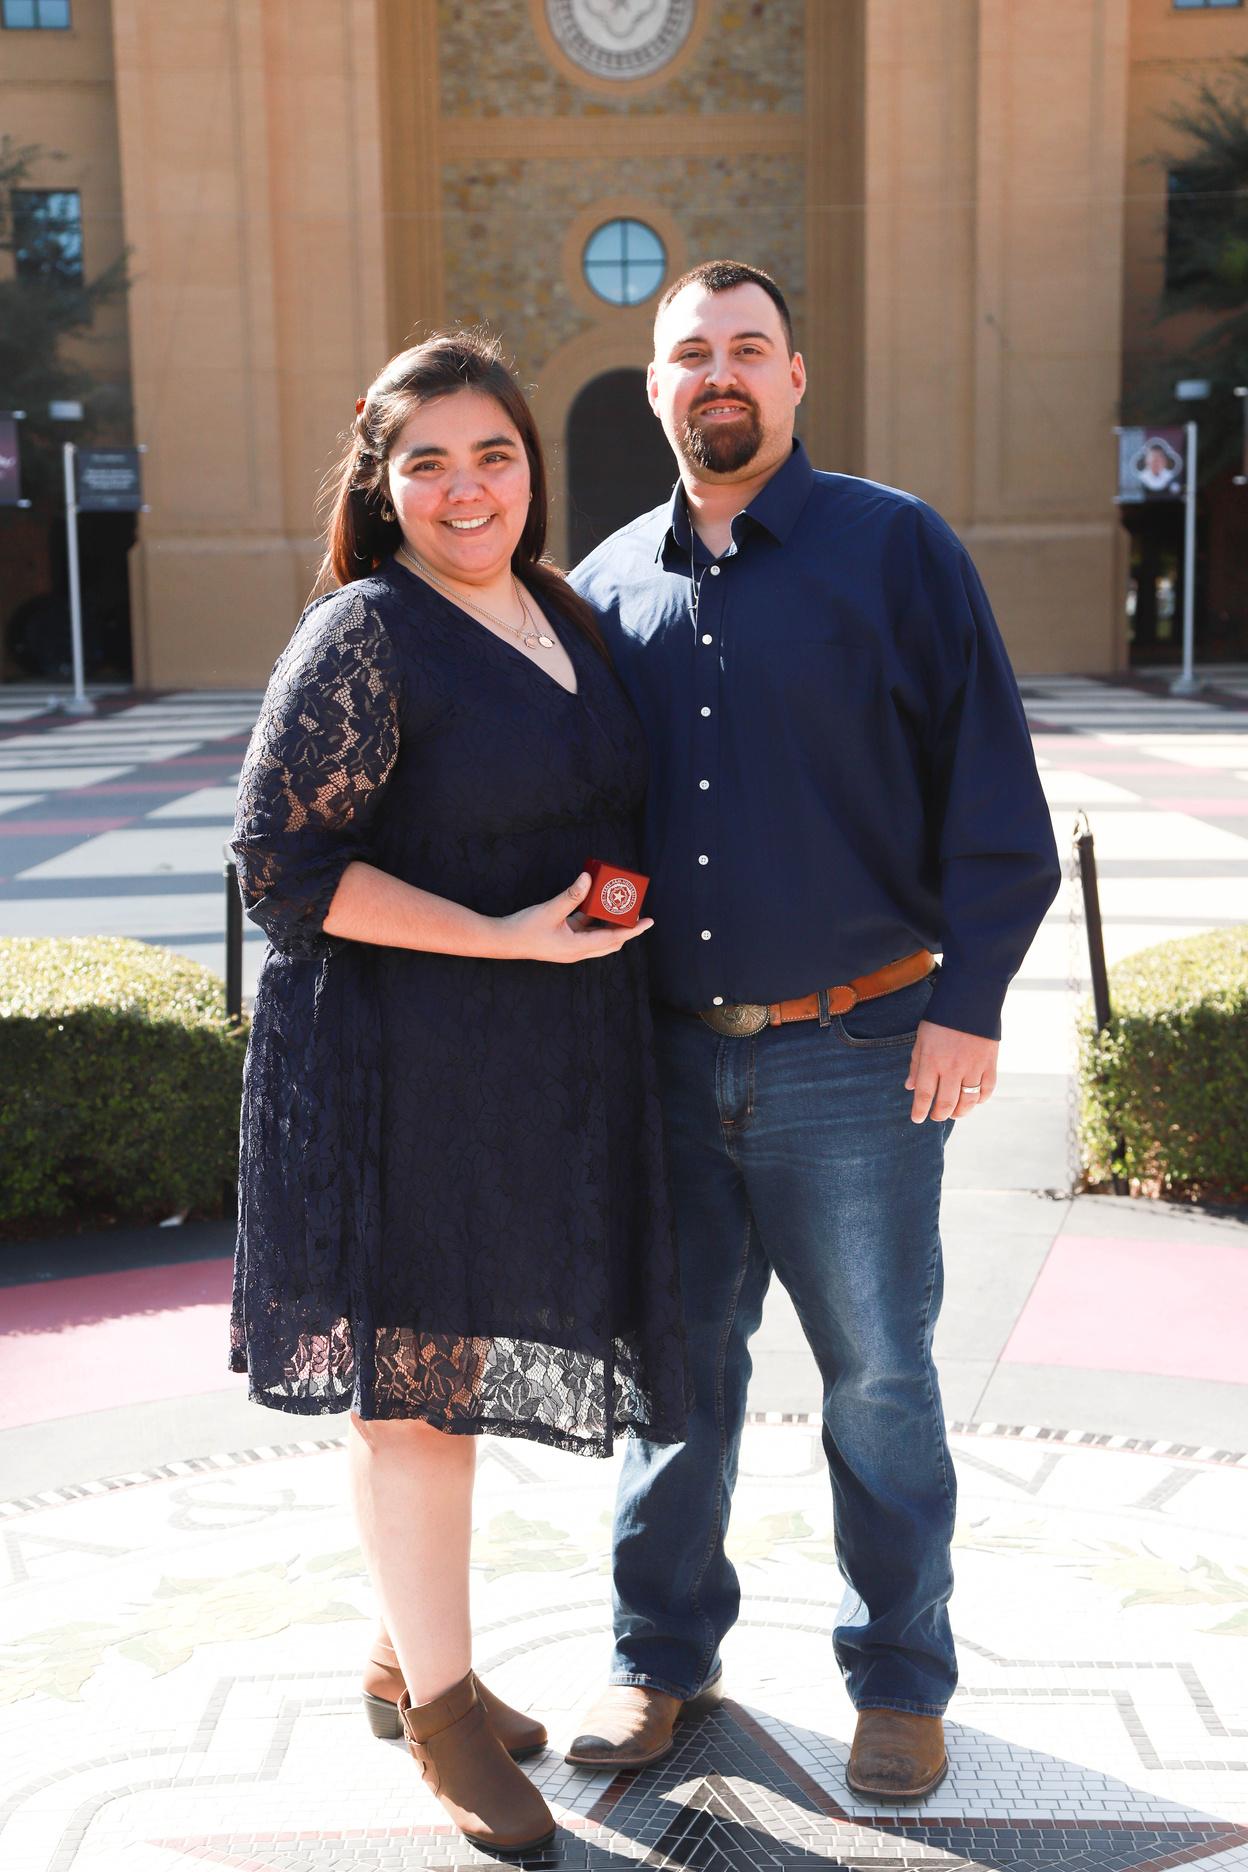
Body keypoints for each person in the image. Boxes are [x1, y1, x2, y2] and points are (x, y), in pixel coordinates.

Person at [566, 261, 1061, 1801]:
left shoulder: (896, 548)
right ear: (657, 385)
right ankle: (660, 1660)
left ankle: (900, 1680)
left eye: (748, 348)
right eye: (690, 353)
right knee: (673, 1384)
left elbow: (995, 794)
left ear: (795, 377)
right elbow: (574, 825)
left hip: (855, 1057)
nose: (718, 373)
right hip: (664, 1059)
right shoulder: (603, 585)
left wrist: (966, 1005)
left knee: (881, 1385)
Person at [229, 331, 687, 1853]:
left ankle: (406, 1655)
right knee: (415, 1402)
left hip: (526, 1066)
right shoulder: (366, 631)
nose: (467, 487)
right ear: (384, 484)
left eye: (494, 453)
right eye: (427, 462)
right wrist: (498, 935)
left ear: (530, 468)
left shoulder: (557, 610)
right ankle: (441, 1717)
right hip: (397, 1065)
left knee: (449, 1384)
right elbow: (279, 867)